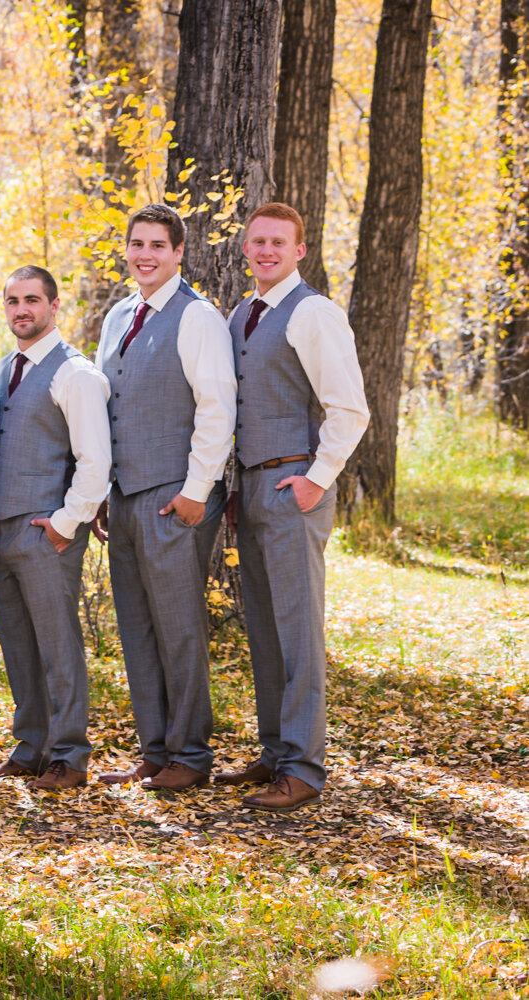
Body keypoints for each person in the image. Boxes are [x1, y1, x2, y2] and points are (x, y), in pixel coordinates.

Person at [216, 202, 369, 811]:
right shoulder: (240, 316)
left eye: (279, 242)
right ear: (246, 249)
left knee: (298, 629)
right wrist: (232, 487)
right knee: (263, 625)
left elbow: (350, 410)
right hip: (251, 488)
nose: (267, 251)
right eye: (258, 242)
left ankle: (303, 768)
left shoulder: (315, 315)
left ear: (300, 251)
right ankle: (276, 749)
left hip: (294, 487)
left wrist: (316, 479)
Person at [93, 205, 236, 793]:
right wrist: (103, 489)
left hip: (175, 496)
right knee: (137, 626)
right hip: (124, 497)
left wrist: (196, 491)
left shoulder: (197, 317)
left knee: (178, 627)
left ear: (179, 252)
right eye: (137, 244)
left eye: (158, 244)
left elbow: (217, 408)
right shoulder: (118, 315)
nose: (145, 254)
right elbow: (108, 405)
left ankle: (191, 753)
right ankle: (154, 749)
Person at [0, 266, 111, 790]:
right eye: (12, 300)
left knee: (57, 644)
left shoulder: (74, 373)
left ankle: (69, 754)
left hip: (46, 531)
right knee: (17, 642)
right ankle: (31, 744)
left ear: (54, 306)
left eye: (32, 299)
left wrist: (64, 524)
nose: (21, 310)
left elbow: (95, 460)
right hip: (0, 529)